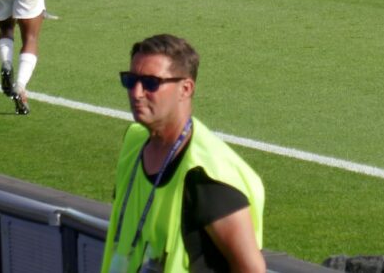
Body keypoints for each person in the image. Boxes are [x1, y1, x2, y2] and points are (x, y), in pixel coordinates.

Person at [100, 34, 265, 273]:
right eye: (131, 80)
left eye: (151, 83)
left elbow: (251, 269)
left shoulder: (208, 176)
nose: (136, 93)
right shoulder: (133, 141)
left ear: (185, 88)